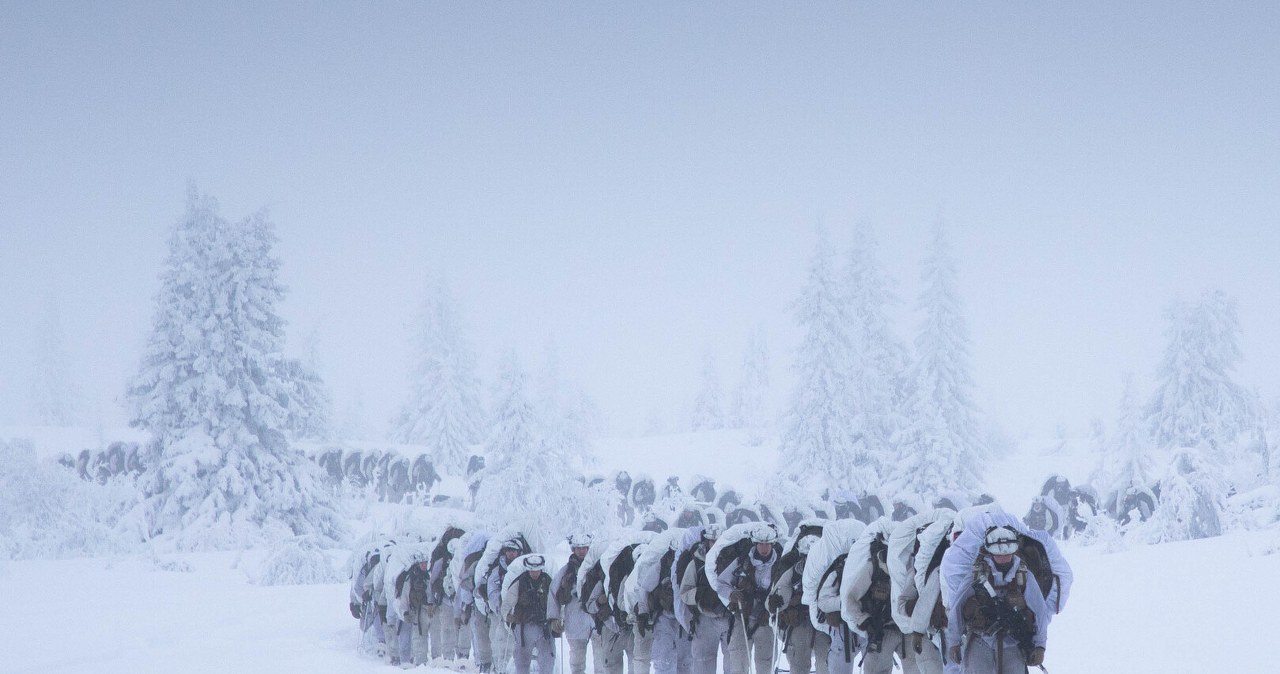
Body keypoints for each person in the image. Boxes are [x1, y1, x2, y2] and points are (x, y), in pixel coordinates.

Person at [946, 527, 1050, 674]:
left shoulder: (1024, 575)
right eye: (998, 550)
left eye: (1008, 549)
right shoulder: (977, 574)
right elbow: (957, 607)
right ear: (990, 550)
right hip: (980, 640)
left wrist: (1040, 646)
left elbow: (1040, 611)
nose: (1003, 555)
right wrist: (954, 642)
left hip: (1013, 641)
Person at [715, 525, 780, 674]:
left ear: (773, 544)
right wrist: (732, 594)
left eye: (768, 544)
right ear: (755, 544)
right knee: (738, 664)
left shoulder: (779, 564)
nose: (764, 547)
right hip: (741, 619)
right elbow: (721, 583)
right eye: (761, 543)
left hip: (766, 621)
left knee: (766, 664)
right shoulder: (741, 561)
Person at [678, 524, 732, 674]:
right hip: (704, 619)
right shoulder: (696, 562)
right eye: (711, 541)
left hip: (729, 618)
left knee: (733, 664)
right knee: (703, 664)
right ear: (706, 541)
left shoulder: (733, 561)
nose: (715, 544)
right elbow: (685, 592)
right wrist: (700, 595)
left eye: (718, 541)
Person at [549, 534, 598, 674]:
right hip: (574, 621)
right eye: (578, 548)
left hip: (598, 620)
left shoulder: (598, 567)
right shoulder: (565, 571)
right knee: (577, 663)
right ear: (573, 549)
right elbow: (553, 594)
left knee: (601, 661)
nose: (581, 551)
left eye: (584, 548)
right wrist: (554, 618)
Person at [502, 555, 556, 674]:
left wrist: (558, 619)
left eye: (537, 569)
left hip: (545, 627)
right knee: (521, 660)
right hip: (524, 627)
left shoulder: (548, 582)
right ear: (527, 569)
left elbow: (556, 602)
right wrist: (507, 616)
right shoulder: (519, 583)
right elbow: (507, 603)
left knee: (547, 660)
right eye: (532, 570)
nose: (535, 572)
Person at [394, 551, 432, 666]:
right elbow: (405, 595)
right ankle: (421, 663)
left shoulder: (430, 575)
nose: (424, 566)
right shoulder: (411, 577)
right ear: (418, 564)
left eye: (426, 563)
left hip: (431, 611)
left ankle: (432, 662)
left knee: (433, 637)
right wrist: (405, 612)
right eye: (422, 563)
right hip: (417, 612)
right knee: (418, 637)